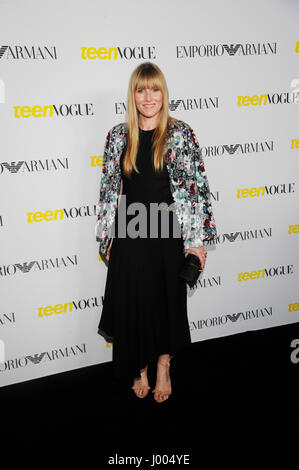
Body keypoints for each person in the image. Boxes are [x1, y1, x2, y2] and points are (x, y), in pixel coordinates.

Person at [95, 62, 217, 403]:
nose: (148, 97)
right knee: (133, 304)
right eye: (140, 89)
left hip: (168, 232)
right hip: (131, 232)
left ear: (164, 92)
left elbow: (196, 190)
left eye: (155, 89)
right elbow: (108, 190)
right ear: (132, 95)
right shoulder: (118, 136)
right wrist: (108, 236)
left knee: (168, 304)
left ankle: (163, 365)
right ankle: (140, 369)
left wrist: (195, 244)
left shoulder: (181, 133)